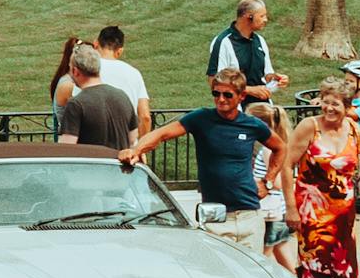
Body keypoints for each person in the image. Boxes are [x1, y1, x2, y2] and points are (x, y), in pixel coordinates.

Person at [118, 67, 274, 253]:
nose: (221, 99)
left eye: (227, 95)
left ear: (241, 96)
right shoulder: (202, 118)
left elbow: (280, 148)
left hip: (249, 216)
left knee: (252, 275)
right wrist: (136, 150)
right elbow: (162, 134)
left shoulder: (252, 125)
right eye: (216, 93)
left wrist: (268, 181)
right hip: (216, 217)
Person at [283, 76, 360, 278]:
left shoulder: (354, 130)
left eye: (336, 104)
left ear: (347, 106)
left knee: (336, 274)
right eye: (325, 102)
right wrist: (290, 207)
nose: (329, 109)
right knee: (314, 273)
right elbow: (286, 165)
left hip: (343, 215)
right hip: (312, 215)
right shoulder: (310, 127)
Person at [55, 43, 137, 149]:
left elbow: (66, 148)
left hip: (91, 164)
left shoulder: (76, 104)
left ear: (75, 71)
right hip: (119, 164)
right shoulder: (122, 96)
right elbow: (133, 139)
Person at [208, 0, 287, 104]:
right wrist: (250, 90)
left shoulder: (260, 41)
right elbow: (215, 82)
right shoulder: (223, 42)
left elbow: (266, 74)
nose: (266, 20)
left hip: (262, 108)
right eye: (262, 16)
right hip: (236, 109)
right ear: (248, 17)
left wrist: (276, 79)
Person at [93, 24, 152, 135]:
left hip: (93, 145)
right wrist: (141, 147)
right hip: (126, 145)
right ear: (120, 51)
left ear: (96, 43)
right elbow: (145, 117)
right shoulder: (134, 73)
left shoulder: (87, 70)